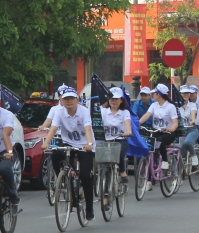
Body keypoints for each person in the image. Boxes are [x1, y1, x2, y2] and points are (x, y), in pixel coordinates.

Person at [43, 85, 96, 219]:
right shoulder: (59, 112)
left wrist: (89, 144)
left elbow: (88, 129)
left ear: (77, 99)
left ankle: (89, 208)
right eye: (66, 99)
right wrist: (46, 143)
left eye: (72, 98)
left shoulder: (83, 112)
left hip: (85, 145)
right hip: (68, 143)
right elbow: (53, 129)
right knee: (55, 155)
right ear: (61, 100)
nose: (68, 101)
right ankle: (62, 179)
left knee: (85, 176)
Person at [139, 83, 179, 170]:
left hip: (168, 133)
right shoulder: (154, 105)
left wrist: (171, 128)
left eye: (154, 93)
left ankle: (165, 161)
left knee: (158, 141)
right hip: (156, 131)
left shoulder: (170, 106)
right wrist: (137, 123)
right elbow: (147, 115)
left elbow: (175, 123)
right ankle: (153, 164)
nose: (152, 95)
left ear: (158, 94)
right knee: (148, 142)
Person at [101, 87, 133, 184]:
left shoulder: (125, 112)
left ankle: (122, 171)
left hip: (120, 140)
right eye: (111, 99)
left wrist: (128, 132)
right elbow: (94, 123)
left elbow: (127, 124)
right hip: (106, 141)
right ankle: (104, 193)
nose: (113, 101)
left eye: (116, 99)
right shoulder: (103, 111)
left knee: (118, 152)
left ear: (121, 100)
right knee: (102, 161)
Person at [178, 85, 199, 167]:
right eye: (183, 93)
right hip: (180, 131)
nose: (185, 95)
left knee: (187, 142)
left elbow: (193, 115)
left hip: (192, 130)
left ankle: (194, 156)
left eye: (187, 93)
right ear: (180, 94)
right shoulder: (176, 106)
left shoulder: (192, 105)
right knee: (177, 150)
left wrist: (192, 121)